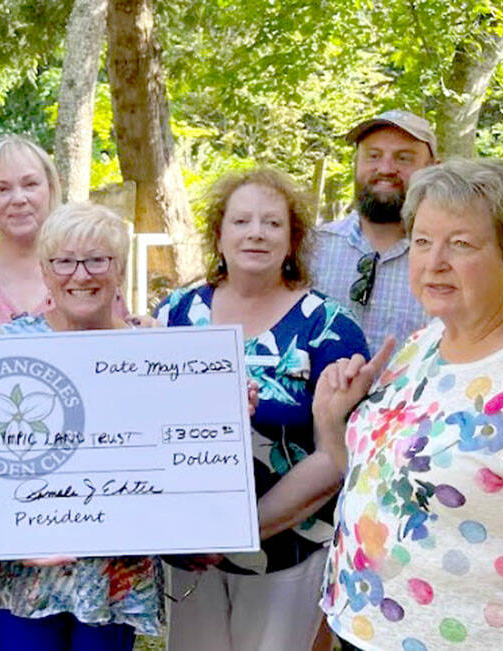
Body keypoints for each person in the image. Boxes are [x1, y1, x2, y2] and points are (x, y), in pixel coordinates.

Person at [313, 159, 503, 650]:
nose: (434, 262)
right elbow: (385, 486)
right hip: (366, 633)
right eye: (422, 241)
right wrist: (331, 418)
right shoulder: (424, 343)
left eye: (460, 244)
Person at [155, 168, 369, 650]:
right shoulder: (174, 315)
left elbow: (337, 453)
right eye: (241, 221)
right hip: (190, 551)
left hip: (289, 547)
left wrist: (241, 530)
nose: (256, 233)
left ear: (293, 240)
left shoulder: (330, 327)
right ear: (218, 235)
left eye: (272, 223)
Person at [0, 202, 162, 651]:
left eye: (97, 260)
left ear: (120, 269)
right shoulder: (5, 345)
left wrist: (226, 406)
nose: (81, 275)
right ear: (45, 272)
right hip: (18, 567)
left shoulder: (152, 353)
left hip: (112, 567)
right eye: (64, 261)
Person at [312, 110, 437, 353]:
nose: (386, 169)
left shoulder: (450, 262)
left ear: (433, 168)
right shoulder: (311, 249)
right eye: (373, 156)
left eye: (403, 158)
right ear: (356, 163)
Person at [0, 134, 63, 336]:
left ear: (51, 188)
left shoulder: (87, 269)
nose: (18, 199)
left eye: (30, 184)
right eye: (2, 189)